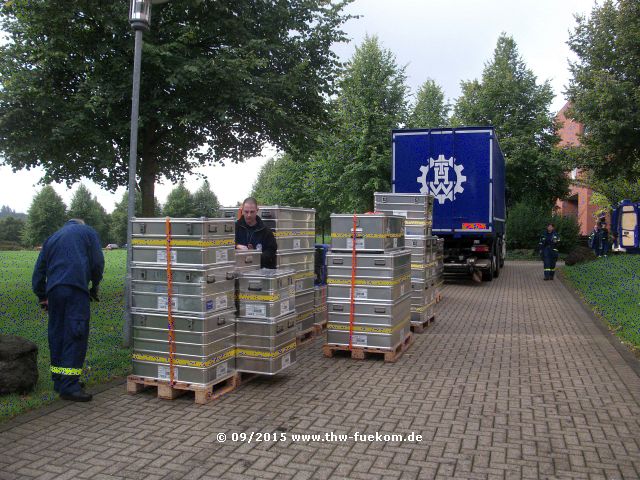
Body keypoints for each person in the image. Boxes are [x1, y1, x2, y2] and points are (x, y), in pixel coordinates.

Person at [32, 219, 104, 402]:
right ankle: (70, 386)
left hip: (54, 291)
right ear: (81, 224)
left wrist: (41, 295)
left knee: (57, 334)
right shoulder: (88, 232)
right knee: (75, 334)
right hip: (75, 290)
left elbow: (39, 269)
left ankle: (59, 380)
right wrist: (94, 286)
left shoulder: (52, 238)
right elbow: (97, 262)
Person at [235, 197, 278, 269]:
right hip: (238, 271)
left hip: (259, 272)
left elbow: (271, 250)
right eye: (246, 211)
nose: (249, 215)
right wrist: (237, 246)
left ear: (257, 210)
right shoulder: (235, 228)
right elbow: (224, 245)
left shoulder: (266, 230)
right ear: (242, 211)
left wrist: (255, 255)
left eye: (252, 212)